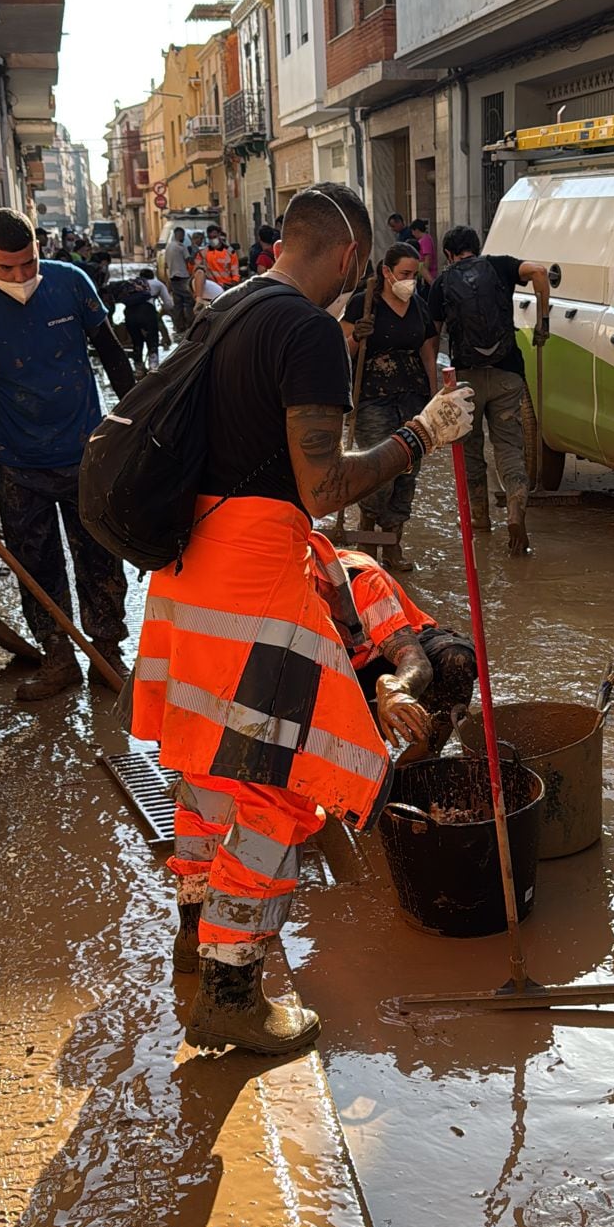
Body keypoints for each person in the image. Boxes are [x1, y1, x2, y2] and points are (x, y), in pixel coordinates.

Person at [130, 182, 474, 1056]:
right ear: (353, 256)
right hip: (253, 581)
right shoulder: (307, 330)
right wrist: (423, 435)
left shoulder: (227, 308)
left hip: (186, 573)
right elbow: (323, 488)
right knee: (286, 787)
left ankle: (195, 937)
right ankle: (235, 991)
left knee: (209, 769)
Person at [0, 209, 135, 702]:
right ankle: (58, 657)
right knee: (36, 565)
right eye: (7, 269)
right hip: (18, 463)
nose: (21, 277)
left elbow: (112, 354)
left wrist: (135, 428)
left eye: (28, 264)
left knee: (98, 555)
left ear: (38, 250)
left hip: (84, 456)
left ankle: (108, 652)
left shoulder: (70, 284)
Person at [428, 224, 550, 556]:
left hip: (464, 379)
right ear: (477, 248)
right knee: (509, 447)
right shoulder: (500, 265)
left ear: (449, 255)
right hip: (507, 373)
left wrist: (433, 384)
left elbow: (431, 336)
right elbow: (539, 271)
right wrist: (543, 322)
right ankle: (514, 508)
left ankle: (479, 524)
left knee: (470, 452)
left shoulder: (442, 283)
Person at [309, 536, 477, 755]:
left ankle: (421, 757)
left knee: (456, 659)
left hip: (397, 655)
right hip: (341, 668)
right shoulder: (271, 590)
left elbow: (415, 660)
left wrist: (397, 689)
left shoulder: (359, 578)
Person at [341, 240, 438, 571]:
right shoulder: (362, 305)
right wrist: (358, 337)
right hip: (374, 398)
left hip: (412, 396)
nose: (410, 280)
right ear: (386, 272)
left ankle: (393, 544)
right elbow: (341, 351)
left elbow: (427, 350)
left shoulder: (419, 306)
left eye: (414, 274)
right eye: (404, 273)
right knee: (377, 471)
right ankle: (367, 543)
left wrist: (434, 394)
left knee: (408, 471)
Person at [116, 266, 172, 374]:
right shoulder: (158, 284)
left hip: (130, 314)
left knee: (136, 342)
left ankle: (138, 370)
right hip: (147, 313)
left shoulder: (133, 285)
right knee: (152, 341)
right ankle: (153, 368)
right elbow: (169, 305)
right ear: (153, 276)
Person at [164, 221, 195, 335]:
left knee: (178, 303)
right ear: (180, 235)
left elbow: (166, 264)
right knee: (189, 301)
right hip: (183, 277)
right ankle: (190, 324)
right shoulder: (181, 247)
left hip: (173, 278)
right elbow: (189, 261)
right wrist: (194, 252)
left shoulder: (169, 247)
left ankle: (179, 326)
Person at [408, 216, 437, 284]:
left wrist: (425, 273)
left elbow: (427, 257)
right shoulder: (425, 239)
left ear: (417, 230)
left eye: (413, 231)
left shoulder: (425, 240)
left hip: (428, 274)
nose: (412, 234)